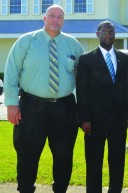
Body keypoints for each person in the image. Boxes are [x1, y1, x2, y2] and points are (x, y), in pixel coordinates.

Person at [4, 5, 84, 193]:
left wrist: (84, 109)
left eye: (60, 17)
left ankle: (60, 189)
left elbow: (82, 78)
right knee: (27, 153)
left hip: (64, 108)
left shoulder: (74, 45)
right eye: (52, 16)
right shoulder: (26, 41)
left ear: (64, 20)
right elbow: (11, 73)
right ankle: (25, 188)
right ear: (44, 19)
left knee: (64, 155)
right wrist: (11, 104)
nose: (56, 20)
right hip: (31, 107)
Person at [76, 20, 128, 193]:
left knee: (117, 161)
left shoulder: (123, 58)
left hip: (118, 121)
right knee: (94, 162)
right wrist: (84, 119)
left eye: (112, 33)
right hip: (94, 121)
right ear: (98, 34)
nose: (109, 35)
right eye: (105, 32)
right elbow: (81, 91)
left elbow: (126, 88)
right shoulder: (86, 59)